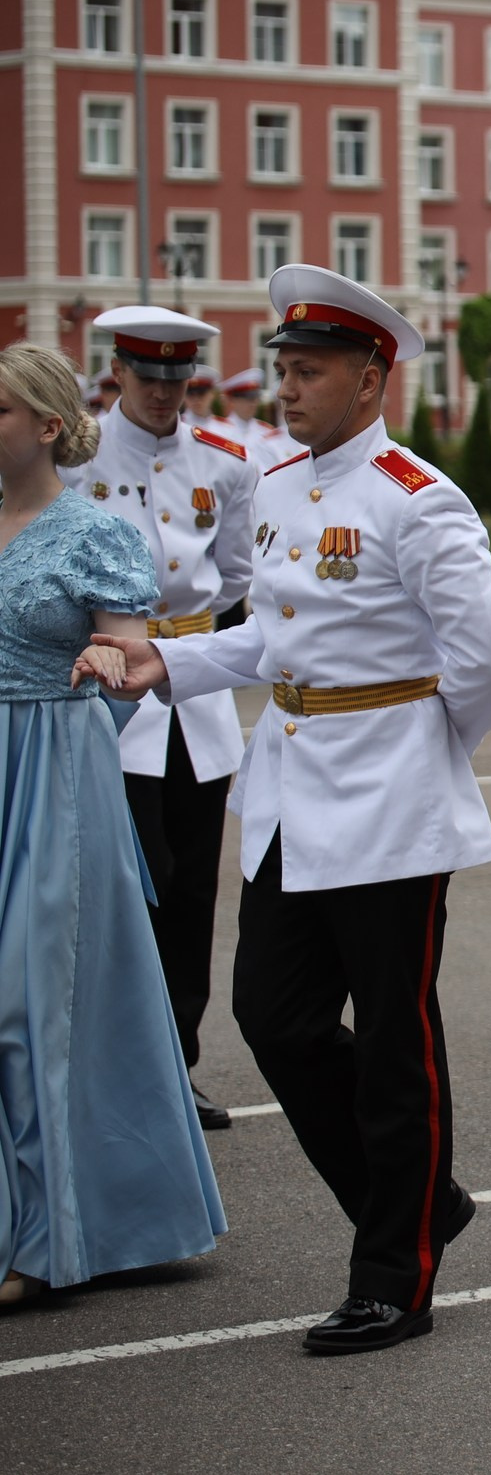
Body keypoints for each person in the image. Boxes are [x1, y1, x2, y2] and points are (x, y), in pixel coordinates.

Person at [97, 262, 491, 1353]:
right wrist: (166, 662)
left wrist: (423, 754)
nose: (285, 388)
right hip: (287, 792)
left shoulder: (419, 501)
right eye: (281, 368)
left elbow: (486, 668)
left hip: (390, 801)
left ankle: (394, 1273)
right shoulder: (275, 486)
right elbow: (268, 638)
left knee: (393, 1044)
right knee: (271, 1019)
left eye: (310, 370)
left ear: (370, 379)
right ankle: (423, 1203)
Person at [1, 342, 226, 1311]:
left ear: (46, 427)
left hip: (55, 771)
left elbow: (130, 655)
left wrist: (104, 660)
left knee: (31, 1002)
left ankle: (45, 1233)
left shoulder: (92, 532)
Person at [59, 306, 258, 1131]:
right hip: (107, 692)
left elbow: (238, 573)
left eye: (178, 382)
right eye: (149, 381)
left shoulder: (225, 462)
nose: (165, 397)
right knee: (128, 886)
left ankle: (177, 1065)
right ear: (118, 373)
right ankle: (120, 1066)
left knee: (187, 893)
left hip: (195, 700)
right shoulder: (77, 458)